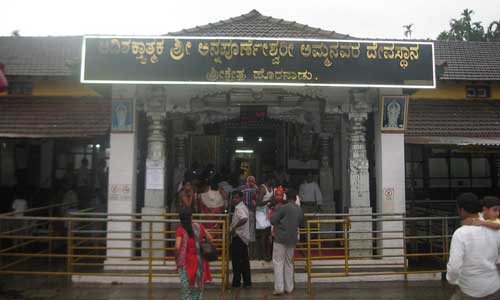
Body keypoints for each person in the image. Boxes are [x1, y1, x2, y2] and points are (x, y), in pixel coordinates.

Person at [447, 193, 500, 300]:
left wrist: (452, 281)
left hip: (469, 289)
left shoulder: (460, 233)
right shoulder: (495, 229)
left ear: (461, 210)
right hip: (493, 287)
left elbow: (454, 267)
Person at [270, 188, 304, 296]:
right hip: (292, 239)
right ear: (295, 198)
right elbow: (301, 222)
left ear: (286, 197)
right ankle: (289, 288)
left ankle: (279, 288)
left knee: (278, 263)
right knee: (289, 263)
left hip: (280, 239)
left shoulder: (283, 208)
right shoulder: (299, 209)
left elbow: (272, 220)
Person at [175, 208, 212, 300]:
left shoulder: (180, 229)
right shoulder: (198, 226)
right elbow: (210, 238)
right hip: (199, 262)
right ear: (191, 217)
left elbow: (177, 247)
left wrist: (176, 258)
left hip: (185, 262)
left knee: (186, 289)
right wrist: (202, 241)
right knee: (197, 289)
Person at [230, 190, 251, 288]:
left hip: (238, 237)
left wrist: (234, 228)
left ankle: (236, 282)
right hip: (244, 238)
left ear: (241, 198)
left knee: (237, 261)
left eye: (236, 197)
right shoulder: (243, 207)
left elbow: (244, 219)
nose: (234, 199)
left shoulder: (239, 208)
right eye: (233, 197)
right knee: (244, 261)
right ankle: (247, 282)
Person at [255, 175, 273, 261]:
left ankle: (268, 253)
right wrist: (269, 201)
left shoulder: (271, 188)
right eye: (272, 179)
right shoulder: (262, 188)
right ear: (268, 180)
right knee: (263, 235)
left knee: (268, 234)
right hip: (260, 213)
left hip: (267, 212)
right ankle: (263, 254)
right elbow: (258, 203)